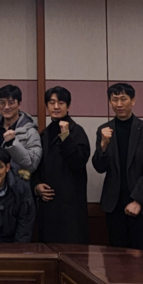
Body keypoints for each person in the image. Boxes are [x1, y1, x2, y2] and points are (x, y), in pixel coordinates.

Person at [92, 83, 143, 251]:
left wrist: (137, 200)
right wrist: (103, 145)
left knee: (142, 255)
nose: (119, 104)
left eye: (123, 99)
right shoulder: (104, 130)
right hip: (114, 204)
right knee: (117, 256)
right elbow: (99, 167)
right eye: (114, 99)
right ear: (109, 102)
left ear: (133, 101)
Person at [31, 86, 91, 244]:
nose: (56, 106)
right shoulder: (43, 134)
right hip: (48, 208)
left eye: (61, 102)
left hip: (71, 209)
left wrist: (65, 137)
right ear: (47, 106)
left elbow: (78, 162)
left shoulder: (77, 132)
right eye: (51, 102)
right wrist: (36, 186)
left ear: (68, 106)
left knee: (72, 251)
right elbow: (36, 166)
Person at [0, 84, 42, 173]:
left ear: (19, 104)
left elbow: (32, 165)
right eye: (2, 102)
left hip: (18, 180)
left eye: (11, 102)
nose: (6, 107)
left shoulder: (30, 132)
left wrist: (12, 143)